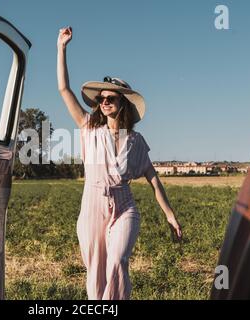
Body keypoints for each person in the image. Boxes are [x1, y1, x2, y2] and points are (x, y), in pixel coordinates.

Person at [57, 26, 183, 300]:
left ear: (123, 102)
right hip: (92, 204)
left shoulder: (135, 141)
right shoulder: (89, 127)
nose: (104, 102)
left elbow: (152, 178)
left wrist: (169, 214)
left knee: (117, 262)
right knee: (95, 270)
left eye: (110, 98)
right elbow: (64, 89)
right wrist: (61, 48)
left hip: (124, 205)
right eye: (101, 99)